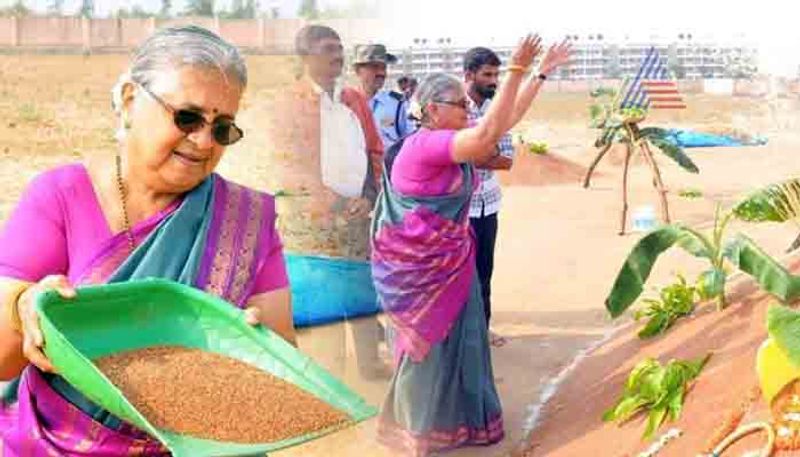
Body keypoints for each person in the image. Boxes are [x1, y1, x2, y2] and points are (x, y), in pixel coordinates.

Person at [0, 25, 294, 454]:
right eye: (187, 117)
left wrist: (247, 355)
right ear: (129, 101)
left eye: (223, 128)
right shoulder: (60, 198)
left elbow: (282, 380)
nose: (202, 141)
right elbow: (3, 357)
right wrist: (25, 309)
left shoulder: (245, 223)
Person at [371, 35, 571, 456]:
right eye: (459, 104)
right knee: (426, 351)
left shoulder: (448, 142)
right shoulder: (426, 144)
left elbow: (504, 120)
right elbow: (488, 138)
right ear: (430, 111)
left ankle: (459, 424)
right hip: (423, 273)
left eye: (466, 104)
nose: (467, 109)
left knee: (459, 344)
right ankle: (418, 431)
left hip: (452, 262)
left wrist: (540, 74)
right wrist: (516, 69)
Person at [267, 25, 390, 382]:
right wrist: (336, 204)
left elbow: (374, 151)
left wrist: (368, 197)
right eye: (327, 48)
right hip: (313, 225)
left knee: (362, 289)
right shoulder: (289, 103)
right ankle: (333, 378)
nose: (337, 54)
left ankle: (369, 365)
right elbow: (290, 167)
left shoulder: (353, 99)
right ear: (305, 57)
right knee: (325, 298)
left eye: (340, 47)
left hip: (358, 218)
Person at [354, 44, 413, 152]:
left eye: (384, 67)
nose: (381, 73)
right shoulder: (344, 103)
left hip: (387, 167)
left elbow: (410, 141)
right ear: (358, 70)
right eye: (375, 67)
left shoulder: (396, 104)